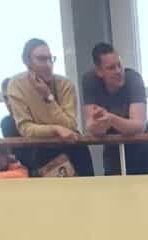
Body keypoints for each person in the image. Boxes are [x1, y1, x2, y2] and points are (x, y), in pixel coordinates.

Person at [7, 39, 94, 177]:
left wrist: (48, 97)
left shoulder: (65, 84)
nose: (48, 65)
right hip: (41, 151)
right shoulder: (16, 85)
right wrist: (55, 129)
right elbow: (25, 128)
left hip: (72, 148)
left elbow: (70, 125)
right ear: (27, 61)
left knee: (87, 190)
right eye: (41, 59)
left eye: (50, 59)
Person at [81, 42, 148, 176]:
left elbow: (139, 126)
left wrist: (110, 119)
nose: (118, 71)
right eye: (111, 68)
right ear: (99, 71)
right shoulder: (90, 81)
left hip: (141, 150)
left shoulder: (133, 79)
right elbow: (92, 128)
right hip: (112, 149)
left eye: (119, 65)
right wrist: (100, 124)